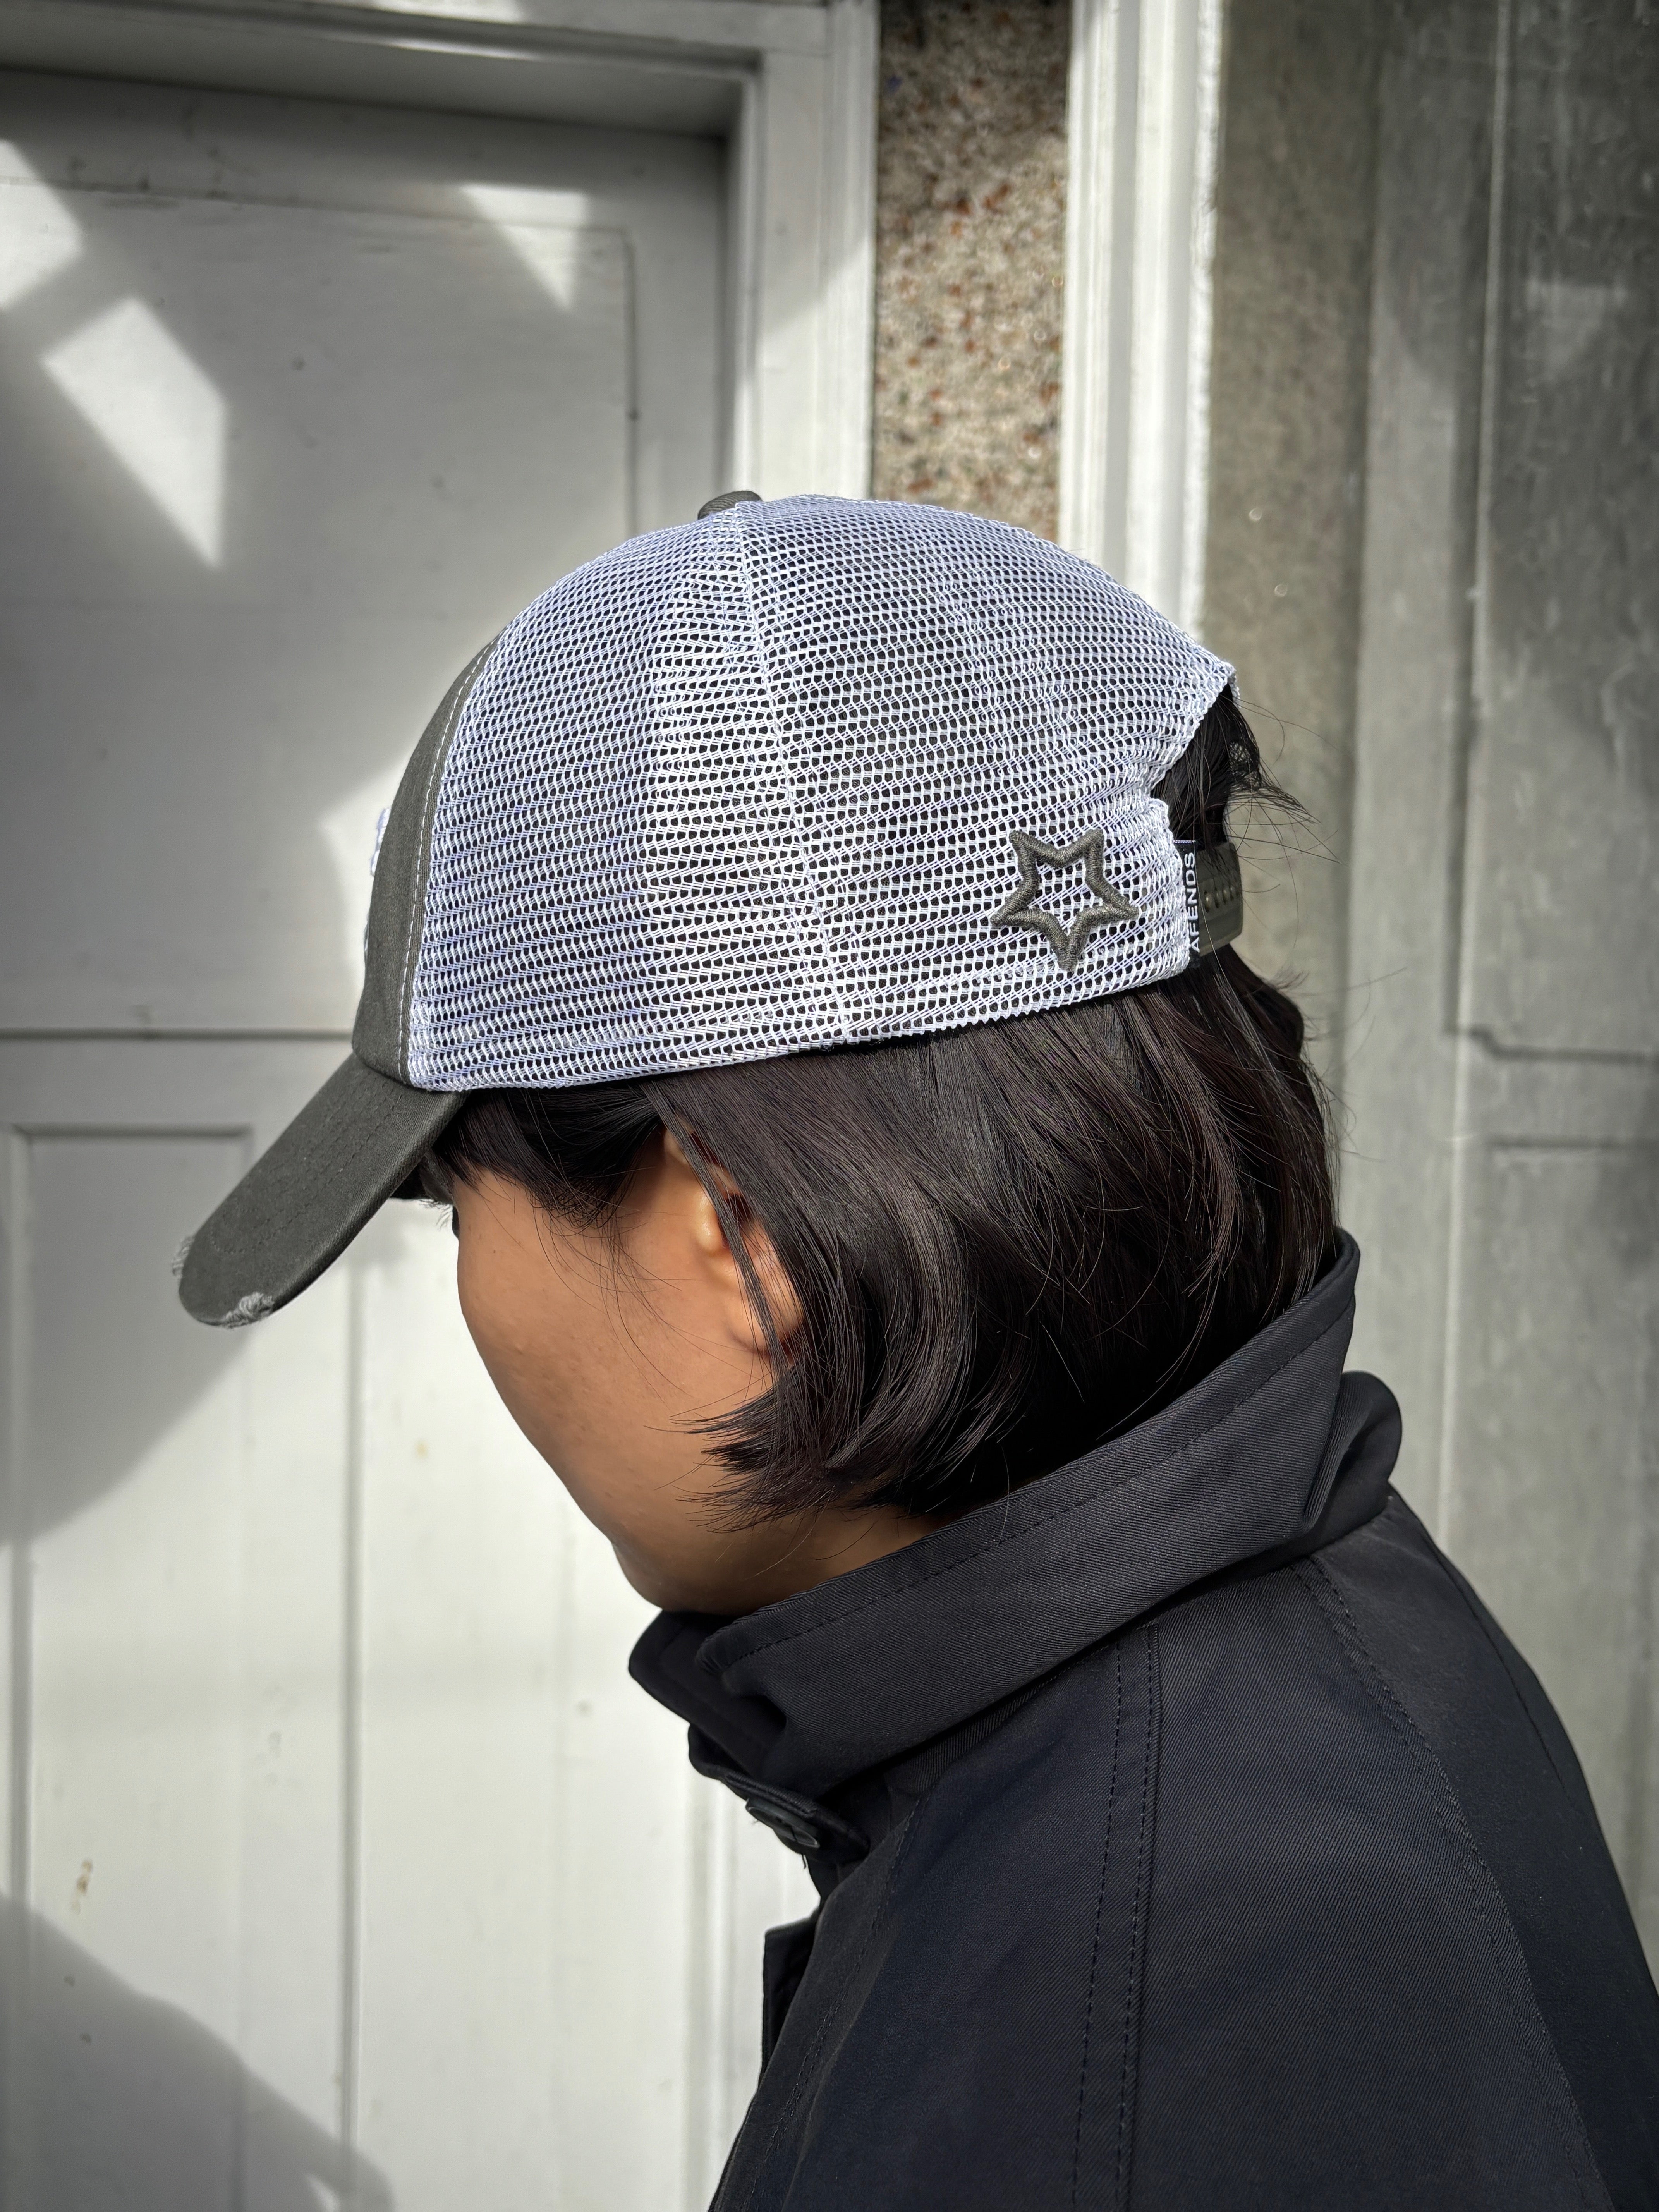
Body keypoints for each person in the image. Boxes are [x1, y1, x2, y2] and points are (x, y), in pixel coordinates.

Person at [179, 495, 1659, 2209]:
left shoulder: (1113, 2027)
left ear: (741, 1240)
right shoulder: (1302, 1605)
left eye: (452, 1201)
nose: (469, 1282)